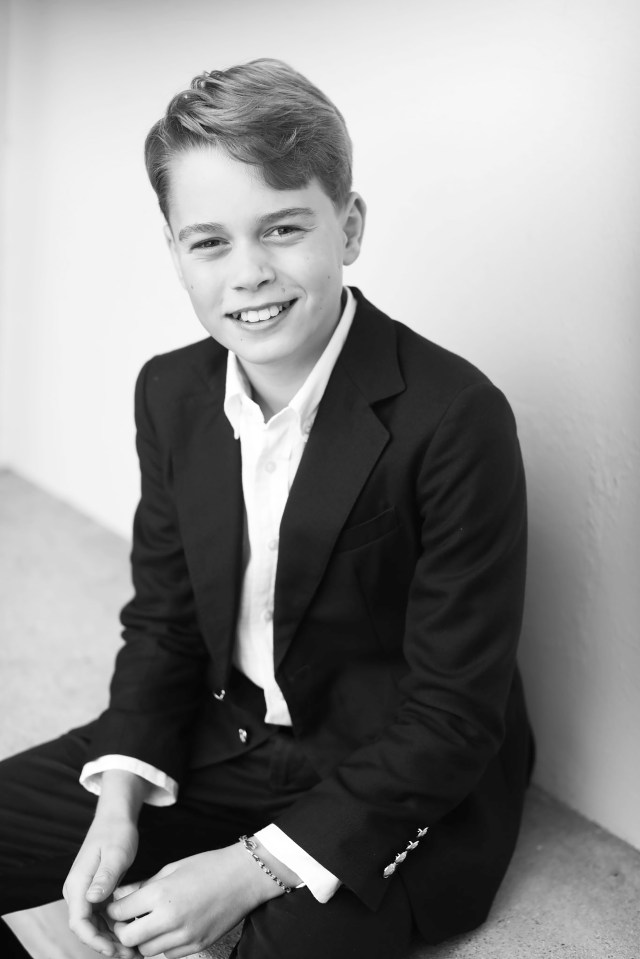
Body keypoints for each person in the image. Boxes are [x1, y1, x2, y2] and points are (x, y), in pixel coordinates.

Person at [0, 59, 534, 959]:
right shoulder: (170, 391)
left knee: (230, 948)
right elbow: (165, 621)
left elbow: (450, 717)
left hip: (396, 773)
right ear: (174, 249)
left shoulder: (456, 416)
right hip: (223, 732)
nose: (248, 273)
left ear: (349, 226)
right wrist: (120, 795)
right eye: (208, 241)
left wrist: (245, 871)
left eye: (282, 228)